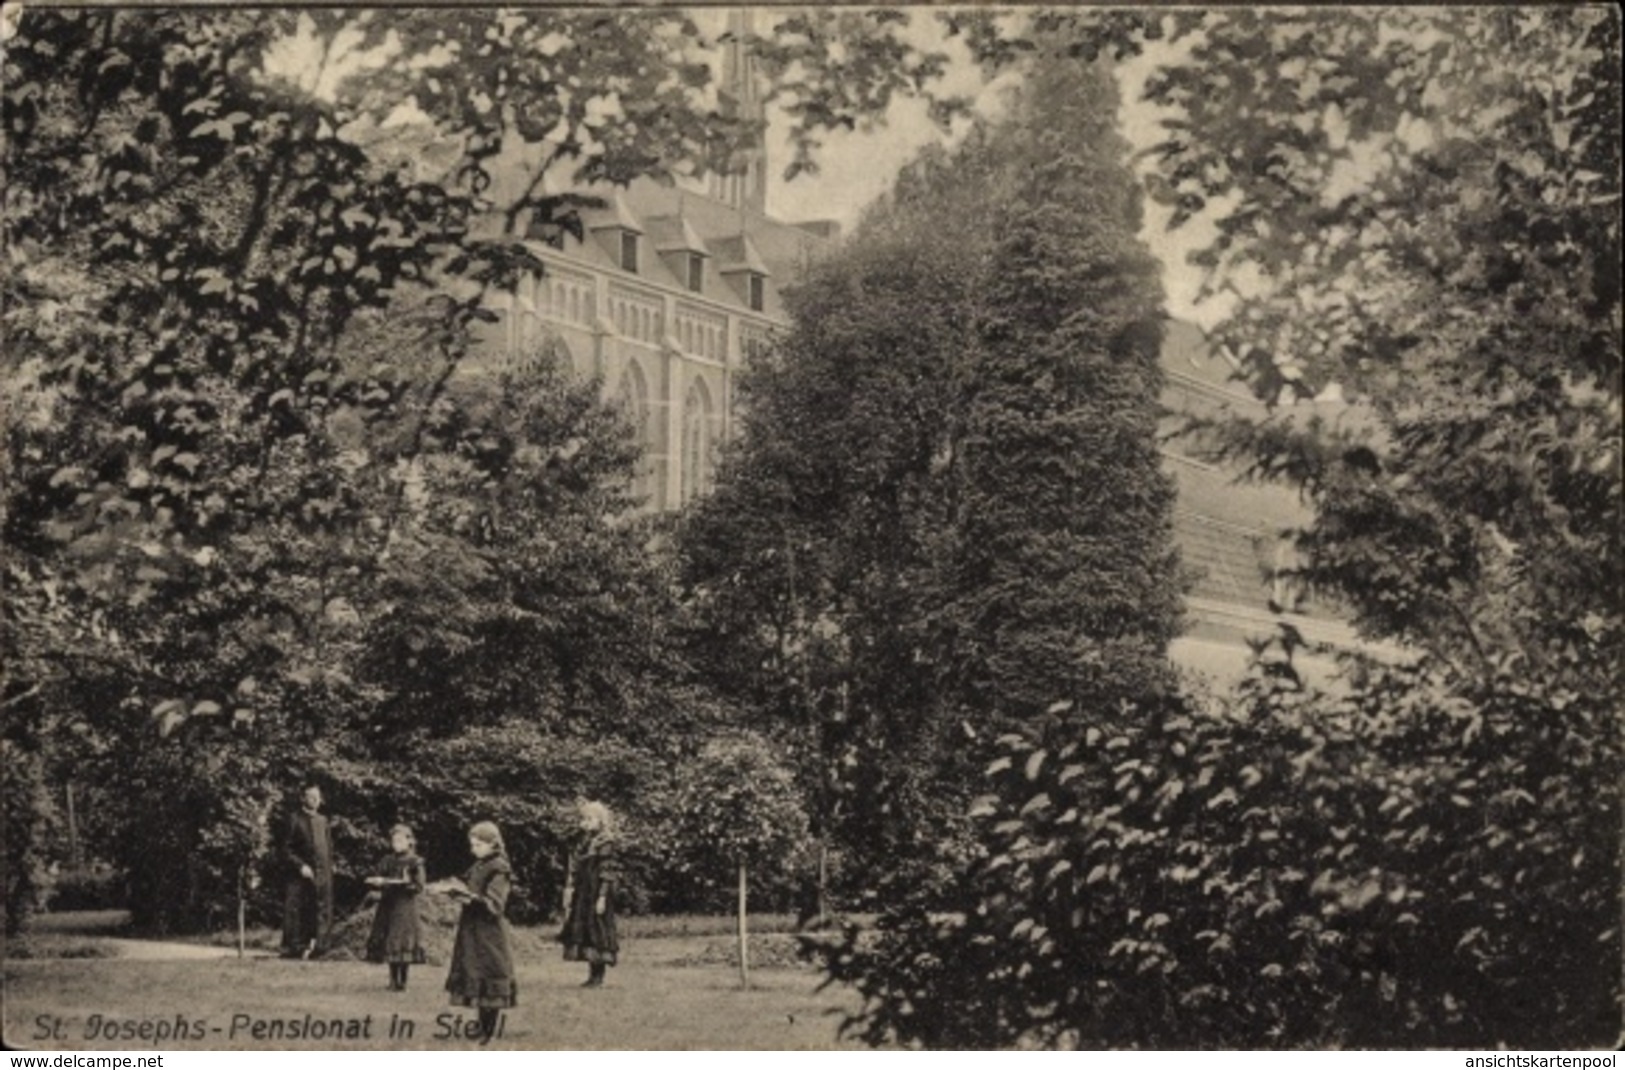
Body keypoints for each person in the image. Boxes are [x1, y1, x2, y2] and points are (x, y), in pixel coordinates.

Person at [444, 821, 516, 1045]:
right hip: (472, 928)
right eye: (472, 844)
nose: (473, 849)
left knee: (490, 975)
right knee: (475, 972)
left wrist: (470, 898)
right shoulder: (479, 865)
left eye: (477, 845)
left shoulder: (499, 867)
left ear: (492, 844)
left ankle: (488, 1030)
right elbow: (470, 887)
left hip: (489, 931)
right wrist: (456, 891)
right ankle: (480, 1026)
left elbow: (495, 904)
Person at [558, 800, 620, 988]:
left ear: (601, 820)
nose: (585, 822)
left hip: (597, 892)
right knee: (585, 930)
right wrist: (570, 890)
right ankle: (592, 975)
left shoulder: (606, 842)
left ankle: (599, 975)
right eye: (584, 819)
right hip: (584, 892)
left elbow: (607, 872)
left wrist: (602, 897)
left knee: (597, 931)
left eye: (590, 818)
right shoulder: (584, 841)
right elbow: (575, 867)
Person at [365, 824, 427, 990]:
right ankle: (392, 980)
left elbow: (419, 886)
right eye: (394, 840)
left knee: (403, 943)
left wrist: (406, 885)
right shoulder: (388, 860)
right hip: (388, 904)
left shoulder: (415, 861)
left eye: (400, 840)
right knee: (390, 941)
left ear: (410, 841)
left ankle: (403, 981)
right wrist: (378, 882)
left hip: (405, 906)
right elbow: (379, 877)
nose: (396, 843)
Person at [280, 783, 334, 959]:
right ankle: (294, 949)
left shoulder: (323, 820)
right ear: (303, 798)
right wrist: (300, 865)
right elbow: (286, 850)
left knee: (322, 909)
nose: (316, 800)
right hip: (300, 875)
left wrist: (330, 865)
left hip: (322, 873)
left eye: (317, 797)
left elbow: (328, 847)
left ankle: (320, 948)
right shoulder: (294, 819)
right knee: (298, 911)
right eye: (311, 796)